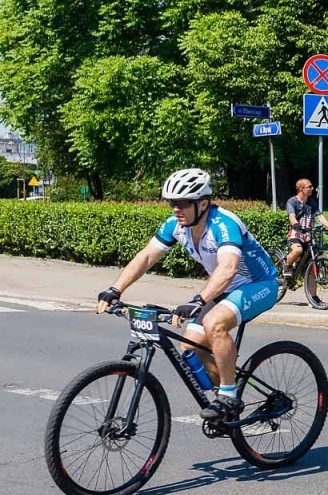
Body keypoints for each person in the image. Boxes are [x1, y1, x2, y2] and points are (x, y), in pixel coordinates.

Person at [95, 169, 278, 422]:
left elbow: (228, 269)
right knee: (189, 346)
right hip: (222, 286)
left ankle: (229, 396)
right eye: (172, 203)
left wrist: (198, 300)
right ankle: (224, 389)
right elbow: (147, 256)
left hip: (259, 284)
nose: (175, 209)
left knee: (215, 324)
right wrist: (115, 289)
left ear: (202, 203)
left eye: (182, 203)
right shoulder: (176, 226)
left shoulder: (223, 224)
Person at [282, 179, 328, 284]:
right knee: (298, 250)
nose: (312, 188)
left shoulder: (312, 202)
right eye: (309, 187)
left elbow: (319, 216)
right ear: (302, 189)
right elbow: (291, 216)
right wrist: (296, 224)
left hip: (308, 235)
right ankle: (286, 267)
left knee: (312, 265)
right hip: (296, 233)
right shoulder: (292, 201)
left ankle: (314, 297)